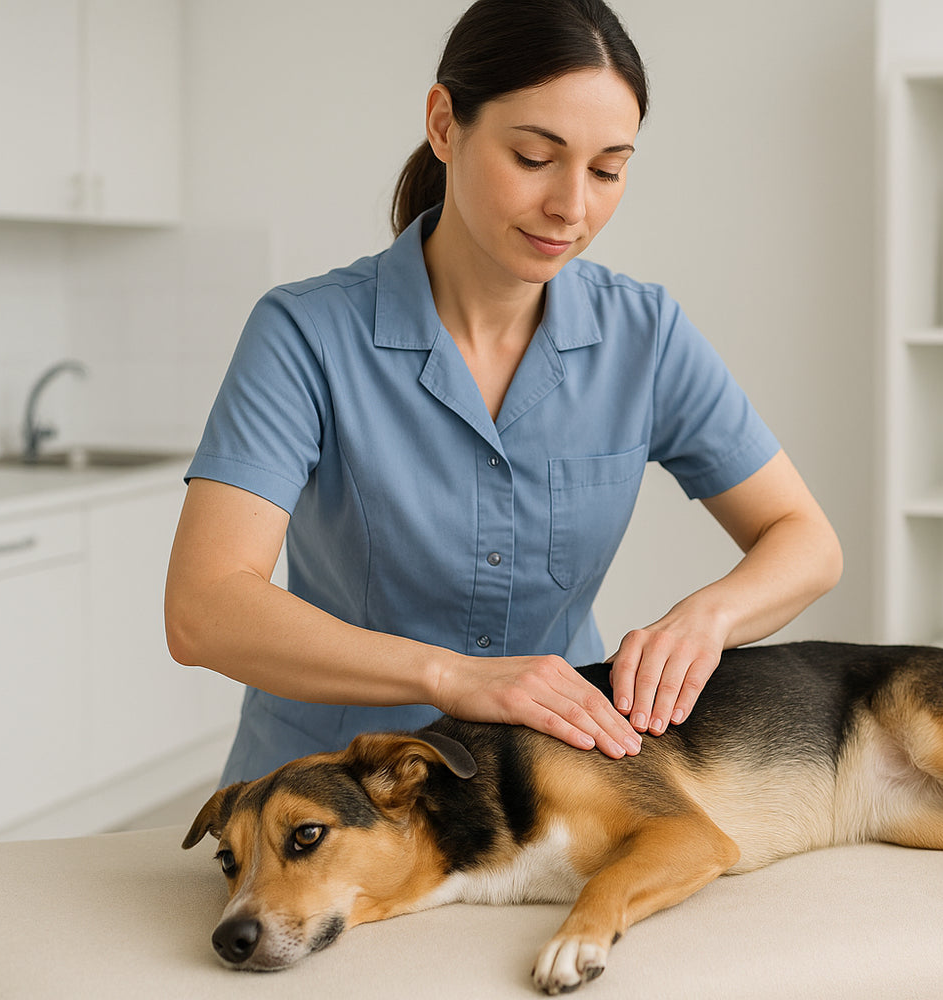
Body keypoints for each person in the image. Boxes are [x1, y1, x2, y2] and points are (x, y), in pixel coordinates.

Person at [164, 0, 843, 786]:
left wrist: (707, 618)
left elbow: (806, 540)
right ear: (445, 124)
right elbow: (205, 607)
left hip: (540, 793)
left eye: (608, 170)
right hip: (325, 796)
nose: (572, 207)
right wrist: (450, 677)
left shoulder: (643, 334)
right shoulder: (305, 332)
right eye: (533, 157)